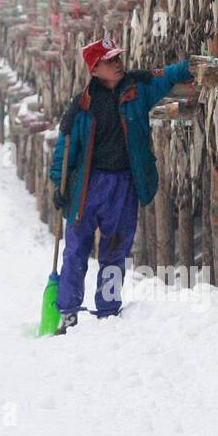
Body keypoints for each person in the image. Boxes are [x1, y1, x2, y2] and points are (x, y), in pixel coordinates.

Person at [48, 37, 193, 333]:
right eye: (110, 60)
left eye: (118, 58)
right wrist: (57, 184)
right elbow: (65, 148)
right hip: (86, 187)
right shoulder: (81, 106)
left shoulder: (137, 88)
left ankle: (108, 310)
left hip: (124, 185)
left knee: (115, 250)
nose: (117, 63)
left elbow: (167, 76)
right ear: (95, 68)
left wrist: (192, 66)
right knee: (76, 249)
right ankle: (67, 311)